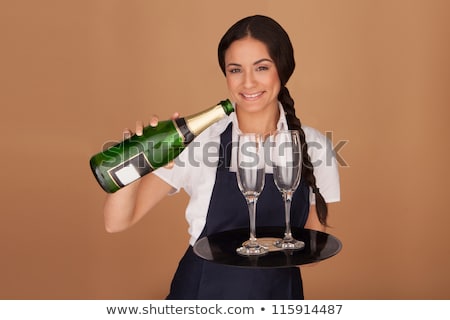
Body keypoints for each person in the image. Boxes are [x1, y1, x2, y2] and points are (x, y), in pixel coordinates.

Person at [103, 15, 340, 299]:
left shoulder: (314, 146)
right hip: (202, 295)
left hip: (279, 297)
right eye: (235, 70)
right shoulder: (200, 141)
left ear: (283, 70)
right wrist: (134, 163)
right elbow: (116, 222)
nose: (248, 83)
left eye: (262, 67)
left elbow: (311, 248)